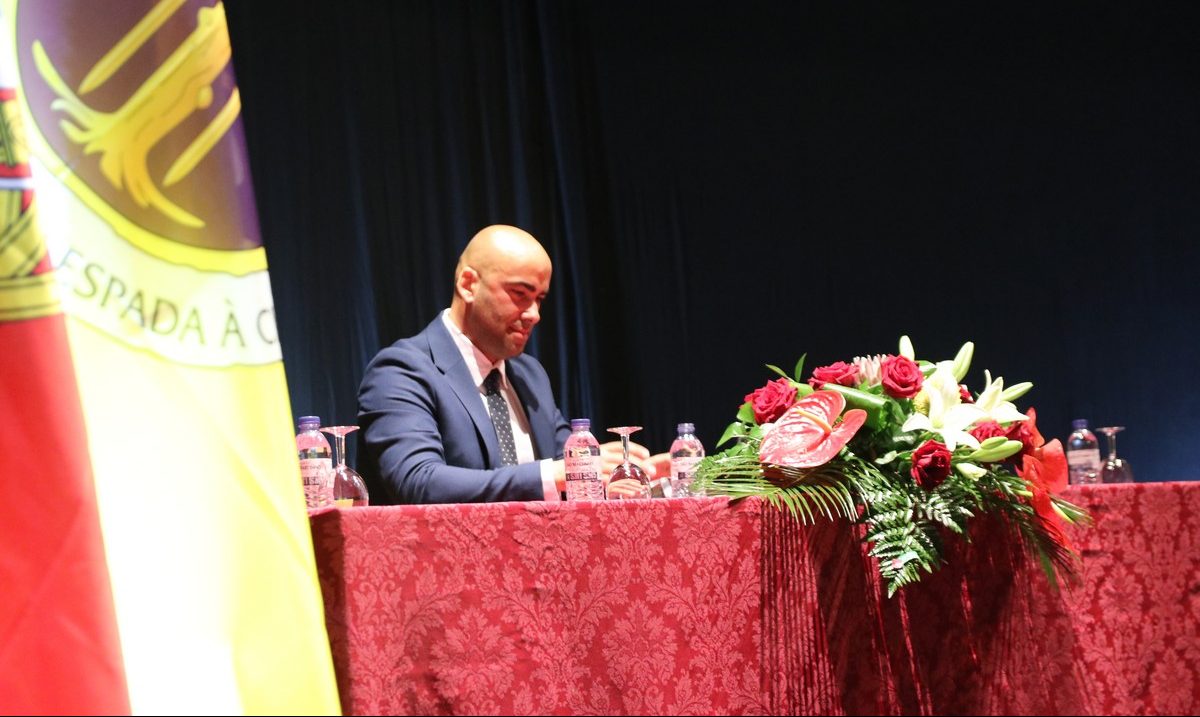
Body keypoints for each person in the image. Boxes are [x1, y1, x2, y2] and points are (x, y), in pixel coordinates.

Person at [357, 224, 653, 504]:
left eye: (539, 299)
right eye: (520, 294)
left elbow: (568, 469)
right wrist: (549, 475)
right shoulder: (401, 371)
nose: (534, 314)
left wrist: (625, 477)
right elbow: (418, 481)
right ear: (468, 285)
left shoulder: (530, 375)